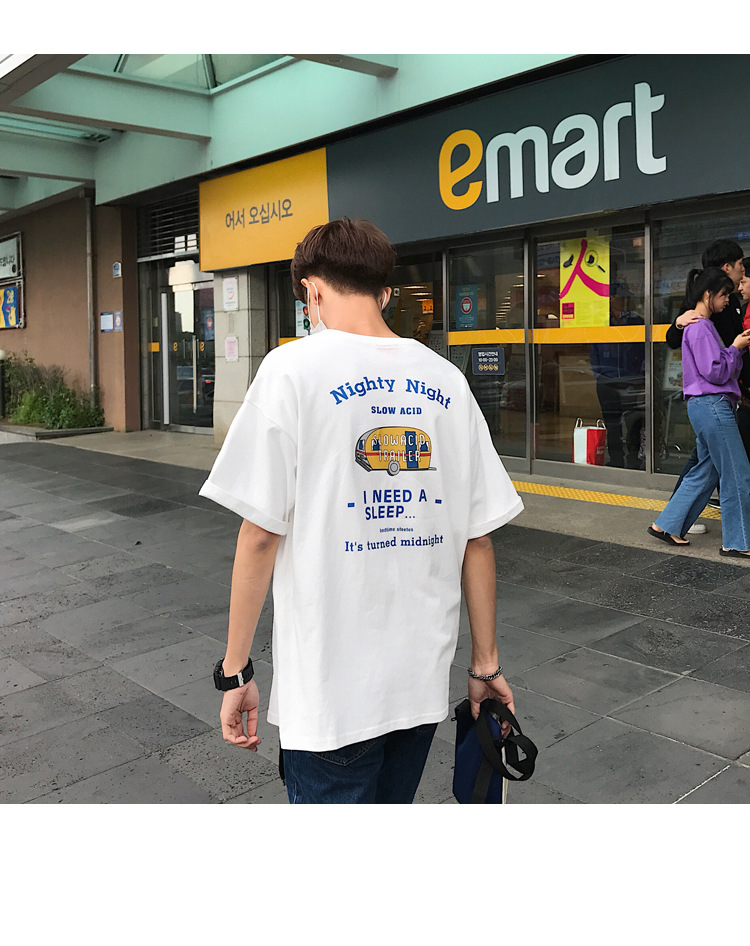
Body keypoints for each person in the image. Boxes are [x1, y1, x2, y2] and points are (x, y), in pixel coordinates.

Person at [199, 217, 524, 804]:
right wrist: (485, 664)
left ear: (312, 290)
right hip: (418, 681)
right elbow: (476, 539)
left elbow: (259, 535)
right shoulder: (447, 380)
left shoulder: (291, 369)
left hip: (330, 691)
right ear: (386, 293)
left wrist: (237, 670)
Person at [649, 267, 750, 556]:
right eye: (723, 295)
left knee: (706, 471)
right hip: (713, 406)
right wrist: (735, 348)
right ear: (708, 294)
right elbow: (714, 371)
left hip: (704, 407)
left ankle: (667, 525)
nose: (727, 301)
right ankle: (738, 542)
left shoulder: (695, 325)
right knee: (737, 472)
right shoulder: (702, 327)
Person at [590, 282, 645, 469]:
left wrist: (640, 374)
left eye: (626, 297)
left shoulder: (637, 321)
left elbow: (644, 350)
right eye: (620, 297)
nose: (624, 301)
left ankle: (634, 459)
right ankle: (616, 459)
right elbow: (593, 349)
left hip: (631, 379)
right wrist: (599, 374)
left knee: (634, 422)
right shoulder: (600, 322)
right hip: (607, 380)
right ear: (610, 299)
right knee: (612, 423)